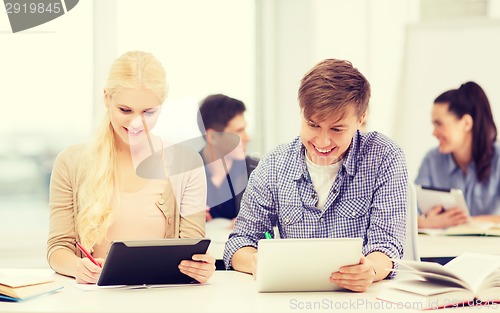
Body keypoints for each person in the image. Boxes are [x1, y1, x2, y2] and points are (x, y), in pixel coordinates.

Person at [223, 59, 408, 292]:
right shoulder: (274, 164)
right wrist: (256, 262)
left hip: (360, 300)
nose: (322, 141)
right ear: (301, 112)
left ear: (361, 119)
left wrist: (370, 270)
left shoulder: (383, 156)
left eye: (337, 129)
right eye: (313, 125)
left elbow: (387, 244)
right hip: (292, 298)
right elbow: (240, 242)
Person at [47, 51, 215, 284]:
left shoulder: (187, 165)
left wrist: (199, 268)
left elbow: (191, 250)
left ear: (161, 106)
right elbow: (58, 248)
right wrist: (78, 267)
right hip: (93, 300)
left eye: (148, 112)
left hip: (164, 299)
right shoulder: (71, 162)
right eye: (125, 110)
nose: (136, 123)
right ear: (107, 98)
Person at [415, 81, 500, 228]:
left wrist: (467, 222)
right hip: (443, 249)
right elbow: (406, 212)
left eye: (439, 124)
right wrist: (424, 223)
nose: (434, 133)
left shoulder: (497, 159)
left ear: (466, 123)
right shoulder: (432, 160)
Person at [197, 94, 258, 222]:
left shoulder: (258, 171)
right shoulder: (185, 174)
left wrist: (253, 223)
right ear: (213, 137)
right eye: (239, 131)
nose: (247, 138)